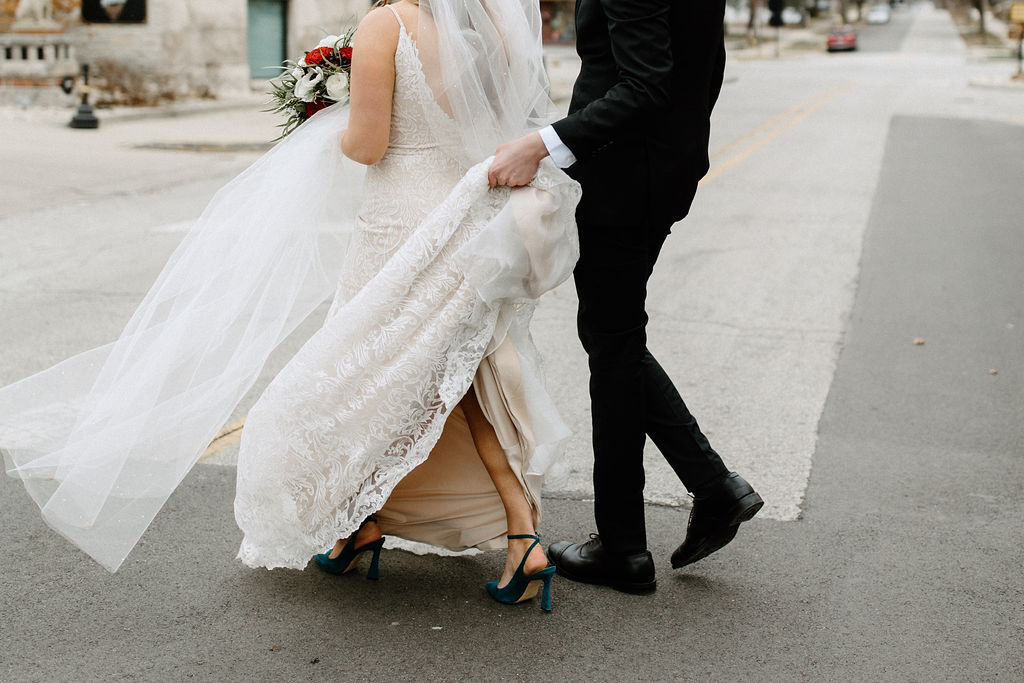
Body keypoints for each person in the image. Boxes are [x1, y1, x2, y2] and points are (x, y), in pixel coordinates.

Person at [0, 0, 579, 611]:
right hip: (466, 221)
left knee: (365, 378)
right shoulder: (490, 29)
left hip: (399, 224)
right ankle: (485, 533)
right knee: (456, 376)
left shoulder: (386, 26)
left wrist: (329, 111)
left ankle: (374, 523)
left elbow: (367, 145)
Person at [488, 0, 763, 593]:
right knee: (614, 339)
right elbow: (699, 66)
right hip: (661, 169)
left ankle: (624, 548)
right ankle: (713, 490)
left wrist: (543, 143)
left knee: (612, 347)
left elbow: (644, 85)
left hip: (626, 176)